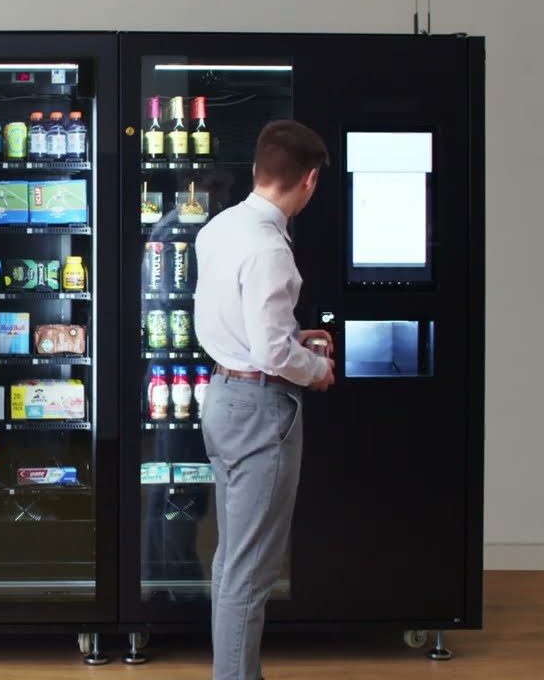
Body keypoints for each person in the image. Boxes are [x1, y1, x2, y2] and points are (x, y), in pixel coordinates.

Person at [193, 119, 336, 680]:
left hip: (223, 396)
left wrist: (291, 337)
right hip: (260, 410)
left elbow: (242, 319)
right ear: (309, 180)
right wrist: (317, 368)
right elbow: (273, 353)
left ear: (257, 169)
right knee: (251, 572)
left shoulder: (220, 227)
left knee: (232, 560)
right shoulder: (271, 248)